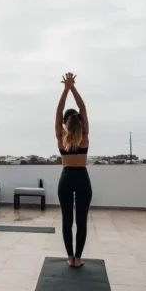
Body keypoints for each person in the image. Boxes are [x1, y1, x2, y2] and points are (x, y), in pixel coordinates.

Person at [55, 72, 92, 267]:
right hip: (82, 178)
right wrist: (73, 88)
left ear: (64, 122)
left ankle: (70, 258)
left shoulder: (61, 137)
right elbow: (83, 108)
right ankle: (78, 258)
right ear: (79, 120)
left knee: (67, 220)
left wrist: (65, 89)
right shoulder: (84, 136)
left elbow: (59, 110)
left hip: (66, 178)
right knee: (81, 221)